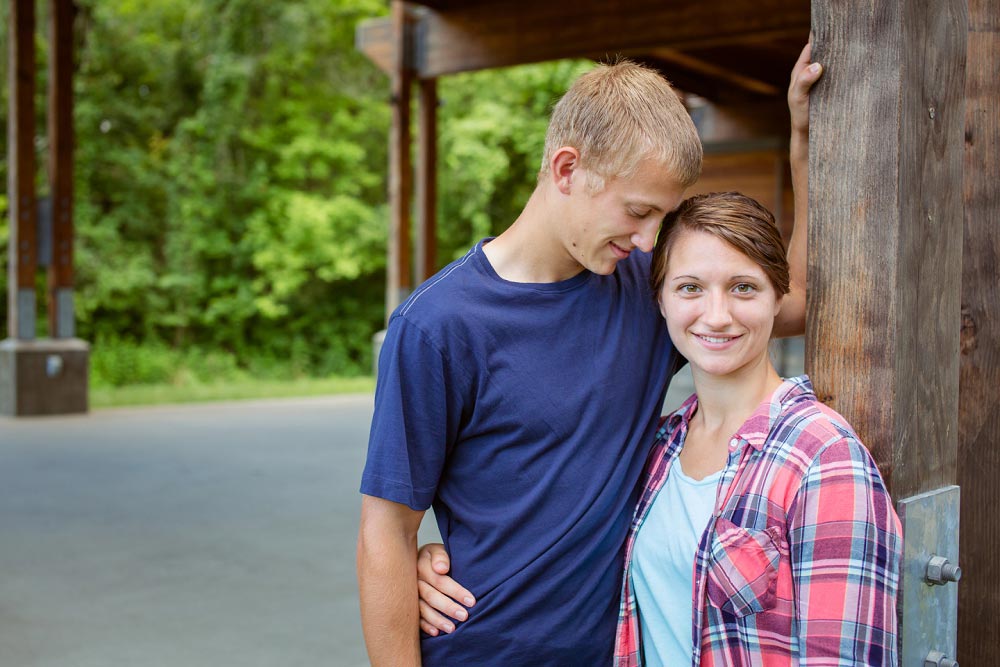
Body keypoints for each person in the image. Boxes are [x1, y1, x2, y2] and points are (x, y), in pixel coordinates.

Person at [359, 46, 820, 665]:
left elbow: (793, 303)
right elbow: (387, 532)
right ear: (567, 168)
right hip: (482, 650)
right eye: (637, 211)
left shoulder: (642, 291)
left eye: (661, 217)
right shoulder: (438, 325)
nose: (649, 240)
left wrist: (803, 143)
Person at [610, 191, 902, 665]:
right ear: (660, 300)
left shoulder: (824, 456)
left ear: (777, 299)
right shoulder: (656, 449)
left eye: (743, 287)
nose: (717, 315)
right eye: (690, 288)